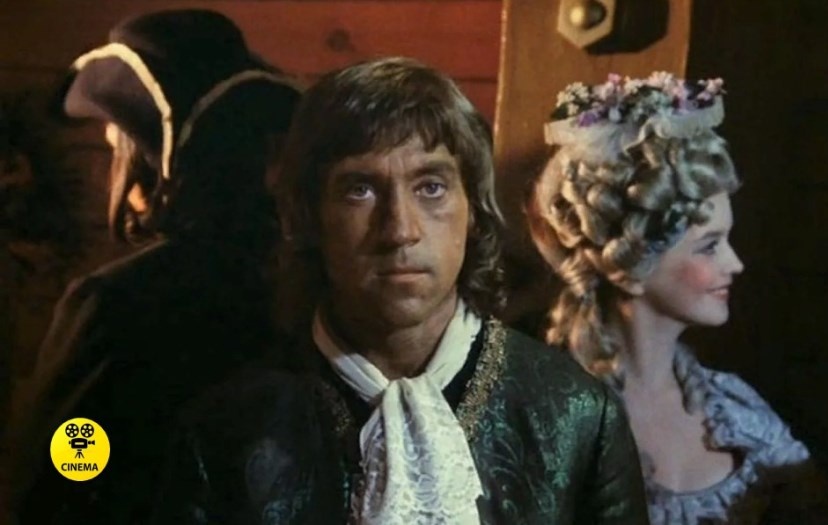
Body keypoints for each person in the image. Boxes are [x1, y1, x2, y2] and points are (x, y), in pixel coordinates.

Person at [154, 57, 650, 524]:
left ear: (473, 210)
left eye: (431, 187)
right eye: (360, 190)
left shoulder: (575, 414)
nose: (400, 230)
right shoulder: (226, 431)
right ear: (308, 217)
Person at [3, 9, 301, 524]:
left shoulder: (118, 303)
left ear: (146, 160)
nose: (108, 160)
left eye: (114, 144)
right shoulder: (287, 286)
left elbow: (57, 479)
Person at [527, 72, 828, 524]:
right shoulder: (544, 419)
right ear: (632, 262)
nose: (736, 264)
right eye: (709, 246)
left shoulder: (737, 414)